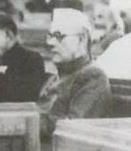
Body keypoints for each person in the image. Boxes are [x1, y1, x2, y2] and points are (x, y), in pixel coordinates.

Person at [38, 8, 110, 136]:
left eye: (59, 36)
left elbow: (73, 127)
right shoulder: (60, 73)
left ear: (81, 40)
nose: (50, 42)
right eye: (50, 36)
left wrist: (27, 123)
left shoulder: (93, 77)